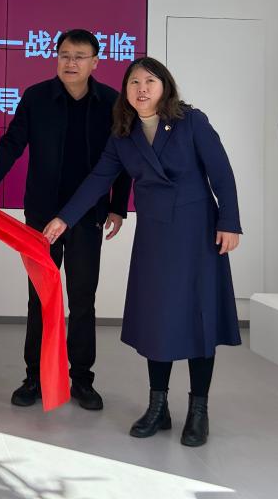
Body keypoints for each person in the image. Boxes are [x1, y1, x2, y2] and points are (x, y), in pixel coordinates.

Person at [43, 57, 241, 446]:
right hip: (155, 235)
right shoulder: (124, 134)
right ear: (126, 92)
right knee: (157, 319)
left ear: (165, 86)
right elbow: (98, 180)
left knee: (199, 318)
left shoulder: (191, 121)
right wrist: (64, 218)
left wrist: (229, 222)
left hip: (197, 232)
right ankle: (158, 407)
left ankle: (198, 411)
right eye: (134, 82)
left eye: (150, 81)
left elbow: (221, 172)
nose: (142, 89)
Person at [0, 29, 131, 410]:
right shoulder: (36, 98)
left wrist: (118, 206)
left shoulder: (112, 102)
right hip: (42, 215)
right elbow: (11, 146)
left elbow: (123, 159)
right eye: (65, 55)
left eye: (79, 56)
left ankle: (82, 380)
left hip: (89, 216)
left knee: (83, 298)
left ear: (95, 62)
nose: (71, 63)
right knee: (39, 296)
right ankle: (34, 377)